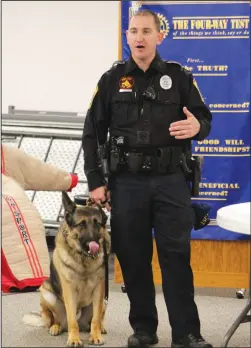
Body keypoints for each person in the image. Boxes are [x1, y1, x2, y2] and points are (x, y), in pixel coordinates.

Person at [82, 9, 213, 348]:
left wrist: (198, 126)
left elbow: (204, 118)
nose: (139, 37)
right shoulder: (111, 80)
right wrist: (95, 180)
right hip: (127, 184)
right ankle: (144, 329)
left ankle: (187, 333)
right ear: (127, 36)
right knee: (133, 258)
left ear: (159, 36)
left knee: (176, 257)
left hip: (171, 180)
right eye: (133, 31)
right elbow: (91, 134)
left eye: (146, 31)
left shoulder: (179, 77)